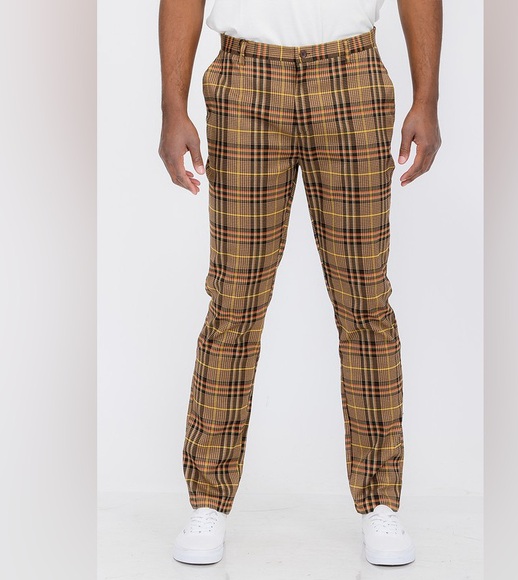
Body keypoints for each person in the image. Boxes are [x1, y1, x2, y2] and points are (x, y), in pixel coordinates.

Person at [158, 0, 442, 567]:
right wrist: (173, 107)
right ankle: (208, 499)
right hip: (244, 78)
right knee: (234, 301)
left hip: (352, 76)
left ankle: (380, 501)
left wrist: (427, 100)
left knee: (366, 302)